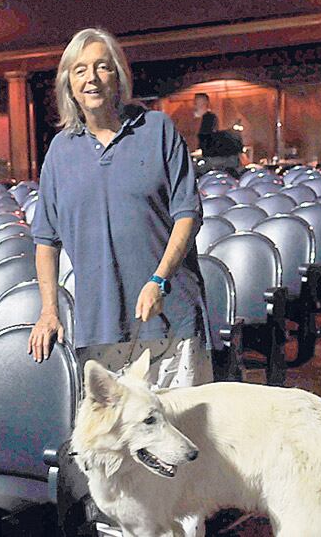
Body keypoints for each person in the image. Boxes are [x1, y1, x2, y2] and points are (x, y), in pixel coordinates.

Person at [28, 27, 212, 390]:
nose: (91, 79)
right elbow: (45, 242)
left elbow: (188, 213)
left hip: (168, 318)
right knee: (119, 442)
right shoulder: (60, 152)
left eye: (102, 67)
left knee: (181, 439)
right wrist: (48, 310)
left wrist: (159, 279)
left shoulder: (157, 129)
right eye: (79, 70)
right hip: (100, 328)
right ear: (68, 83)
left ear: (118, 76)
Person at [193, 92, 218, 156]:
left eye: (201, 102)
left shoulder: (210, 118)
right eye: (196, 101)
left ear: (206, 103)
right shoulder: (189, 118)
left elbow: (209, 135)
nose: (197, 104)